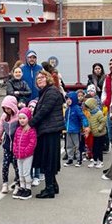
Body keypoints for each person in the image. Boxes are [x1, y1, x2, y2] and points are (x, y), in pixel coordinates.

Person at [29, 70, 65, 199]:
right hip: (47, 130)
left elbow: (44, 111)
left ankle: (49, 188)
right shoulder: (46, 92)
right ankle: (53, 185)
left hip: (50, 130)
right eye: (37, 78)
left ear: (48, 78)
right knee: (47, 160)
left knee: (49, 160)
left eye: (42, 78)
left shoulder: (51, 92)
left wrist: (30, 123)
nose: (39, 80)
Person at [0, 95, 20, 194]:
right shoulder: (4, 117)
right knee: (5, 165)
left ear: (13, 107)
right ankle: (4, 184)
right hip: (7, 145)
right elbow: (0, 128)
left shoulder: (18, 116)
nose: (6, 110)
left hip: (17, 146)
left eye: (8, 108)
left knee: (16, 165)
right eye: (4, 108)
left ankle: (18, 183)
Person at [12, 107, 38, 200]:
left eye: (24, 118)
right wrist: (15, 150)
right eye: (20, 118)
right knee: (21, 172)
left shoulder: (31, 130)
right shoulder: (18, 130)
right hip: (19, 155)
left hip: (27, 156)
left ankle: (28, 189)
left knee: (26, 173)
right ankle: (22, 187)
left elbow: (32, 143)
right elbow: (15, 141)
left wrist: (26, 151)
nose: (22, 120)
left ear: (28, 118)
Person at [63, 92, 87, 167]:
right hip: (68, 130)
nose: (68, 101)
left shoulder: (77, 108)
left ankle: (79, 159)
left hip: (76, 130)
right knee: (68, 146)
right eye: (67, 99)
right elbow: (66, 119)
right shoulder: (68, 109)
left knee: (77, 146)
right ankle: (70, 159)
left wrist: (86, 125)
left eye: (70, 99)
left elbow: (83, 117)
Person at [84, 97, 107, 168]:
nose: (88, 108)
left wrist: (99, 128)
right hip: (94, 134)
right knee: (94, 148)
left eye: (88, 106)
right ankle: (95, 160)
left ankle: (100, 161)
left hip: (100, 134)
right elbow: (90, 123)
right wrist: (89, 129)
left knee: (99, 148)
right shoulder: (91, 114)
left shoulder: (99, 113)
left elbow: (103, 122)